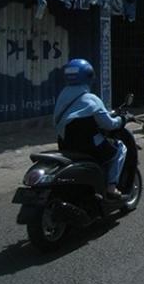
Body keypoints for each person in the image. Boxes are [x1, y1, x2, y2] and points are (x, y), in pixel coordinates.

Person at [52, 58, 127, 199]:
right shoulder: (91, 99)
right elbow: (109, 124)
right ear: (89, 77)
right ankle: (111, 187)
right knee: (120, 149)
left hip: (65, 145)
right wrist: (122, 120)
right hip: (90, 148)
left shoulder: (62, 95)